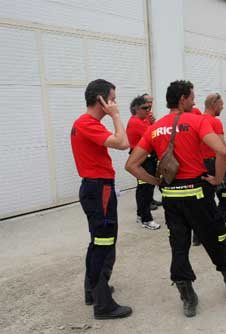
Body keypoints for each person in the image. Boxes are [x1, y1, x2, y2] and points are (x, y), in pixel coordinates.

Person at [125, 80, 226, 318]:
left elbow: (131, 165)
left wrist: (156, 182)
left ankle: (187, 296)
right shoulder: (197, 121)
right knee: (212, 240)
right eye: (192, 97)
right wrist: (218, 179)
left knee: (179, 247)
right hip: (197, 195)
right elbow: (221, 150)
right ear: (182, 99)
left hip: (171, 199)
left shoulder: (154, 128)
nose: (195, 101)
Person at [70, 79, 132, 319]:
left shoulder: (86, 123)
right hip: (99, 189)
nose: (115, 103)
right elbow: (123, 143)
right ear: (101, 100)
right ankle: (103, 304)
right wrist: (116, 116)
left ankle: (93, 290)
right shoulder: (87, 123)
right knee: (105, 244)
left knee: (99, 242)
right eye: (112, 99)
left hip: (97, 188)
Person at [194, 93, 226, 247]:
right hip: (215, 164)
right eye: (221, 104)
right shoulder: (215, 122)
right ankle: (218, 233)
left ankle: (199, 236)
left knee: (206, 202)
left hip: (200, 166)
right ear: (214, 104)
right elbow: (221, 148)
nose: (223, 107)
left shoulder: (197, 121)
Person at [126, 95, 161, 230]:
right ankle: (146, 218)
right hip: (141, 159)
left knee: (145, 188)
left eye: (149, 107)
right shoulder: (136, 122)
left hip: (146, 157)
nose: (148, 109)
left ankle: (141, 215)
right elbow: (153, 137)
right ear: (136, 108)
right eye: (144, 107)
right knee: (145, 189)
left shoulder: (144, 119)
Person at [142, 93, 162, 211]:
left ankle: (151, 199)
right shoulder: (141, 116)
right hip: (144, 151)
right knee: (145, 181)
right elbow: (147, 134)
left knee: (152, 176)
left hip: (151, 151)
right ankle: (146, 203)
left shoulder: (150, 114)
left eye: (151, 102)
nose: (150, 104)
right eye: (147, 102)